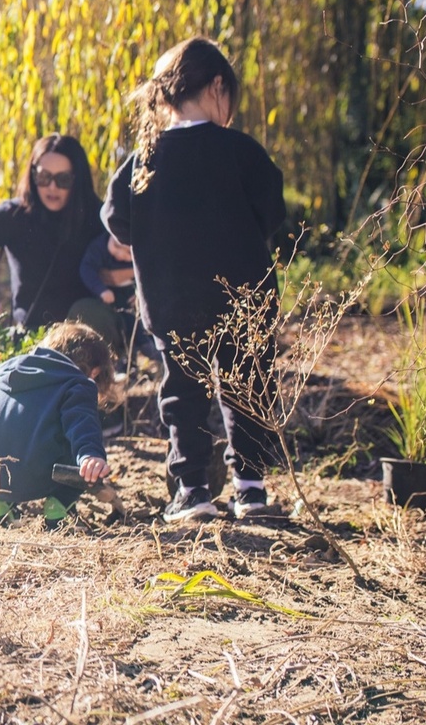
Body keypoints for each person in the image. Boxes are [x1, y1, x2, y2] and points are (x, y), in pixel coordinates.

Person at [102, 36, 286, 523]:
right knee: (248, 383)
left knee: (183, 389)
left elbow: (117, 220)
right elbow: (273, 211)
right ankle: (250, 489)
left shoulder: (144, 158)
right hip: (243, 294)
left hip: (171, 297)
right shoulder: (241, 151)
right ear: (217, 87)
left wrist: (161, 240)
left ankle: (193, 490)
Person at [0, 134, 111, 332]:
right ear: (32, 175)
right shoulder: (16, 215)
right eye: (44, 177)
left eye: (63, 179)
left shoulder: (97, 215)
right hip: (33, 338)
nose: (52, 187)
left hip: (89, 336)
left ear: (77, 180)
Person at [0, 322, 117, 529]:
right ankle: (58, 508)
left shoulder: (11, 370)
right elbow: (81, 424)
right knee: (73, 448)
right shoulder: (78, 383)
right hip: (28, 474)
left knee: (21, 428)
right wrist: (90, 454)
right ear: (95, 371)